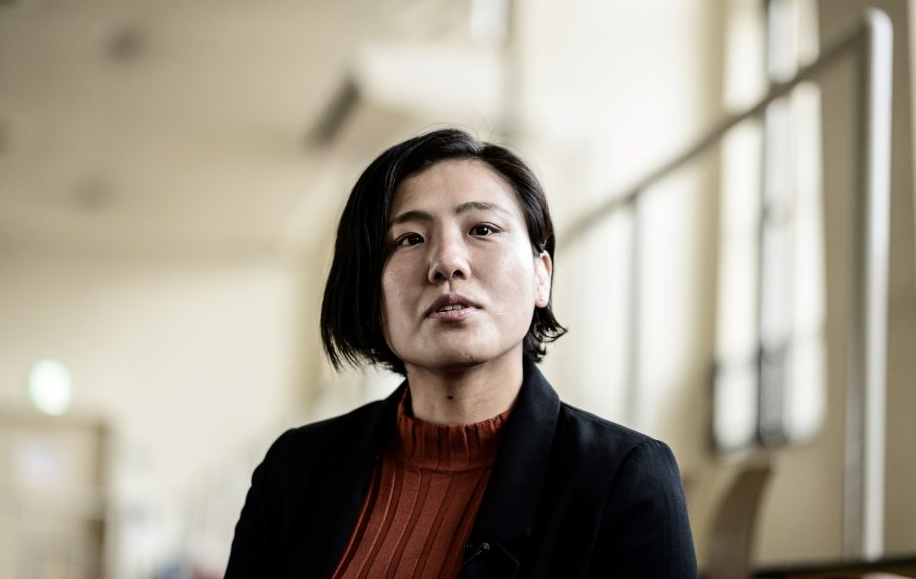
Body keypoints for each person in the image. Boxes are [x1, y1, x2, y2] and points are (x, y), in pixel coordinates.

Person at [224, 128, 697, 578]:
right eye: (409, 238)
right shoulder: (294, 471)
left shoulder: (625, 480)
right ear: (370, 291)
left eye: (483, 229)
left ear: (541, 275)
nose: (447, 261)